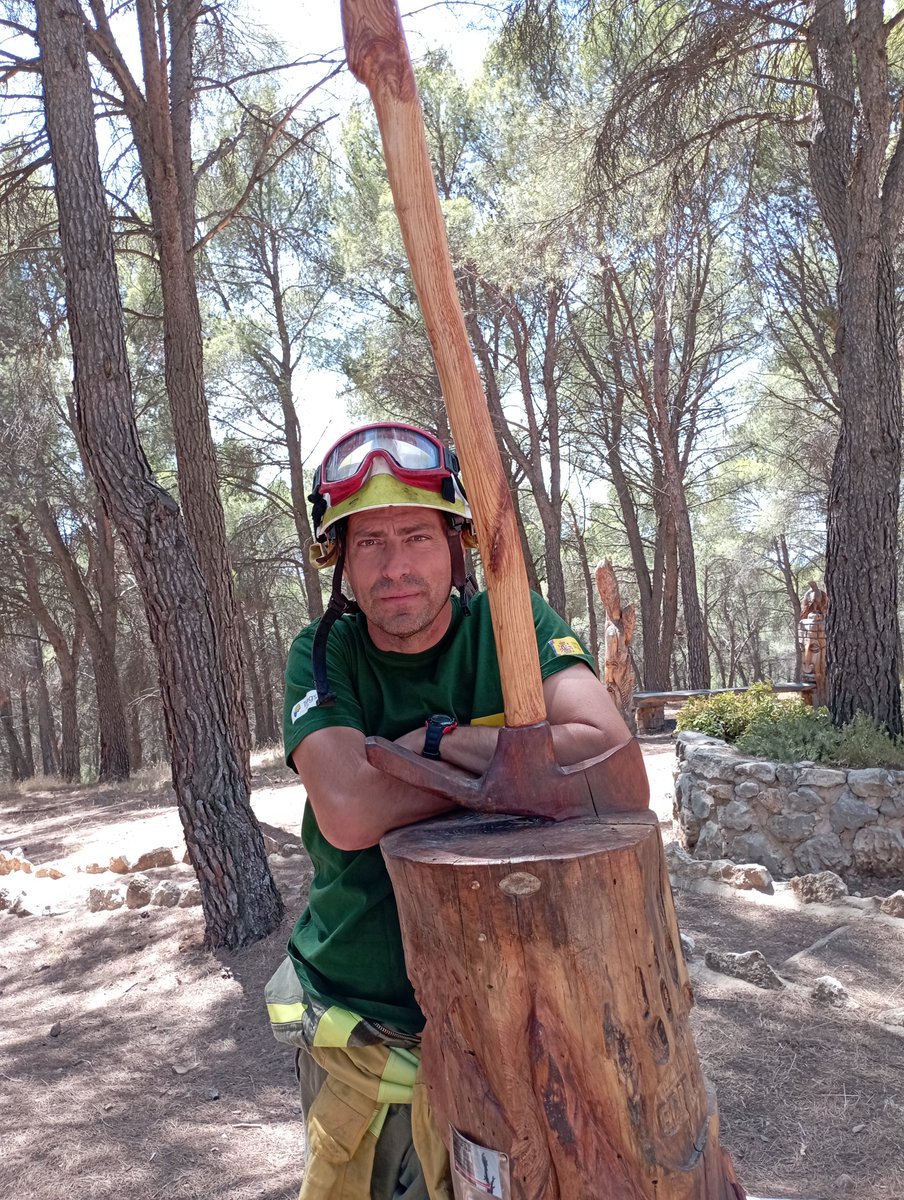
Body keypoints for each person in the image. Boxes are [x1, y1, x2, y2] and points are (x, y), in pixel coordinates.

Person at [269, 421, 642, 1200]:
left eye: (416, 535)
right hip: (368, 1015)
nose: (396, 565)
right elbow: (347, 810)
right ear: (339, 560)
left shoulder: (514, 626)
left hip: (532, 1015)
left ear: (457, 545)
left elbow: (618, 767)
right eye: (369, 543)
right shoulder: (324, 652)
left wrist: (429, 741)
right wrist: (526, 758)